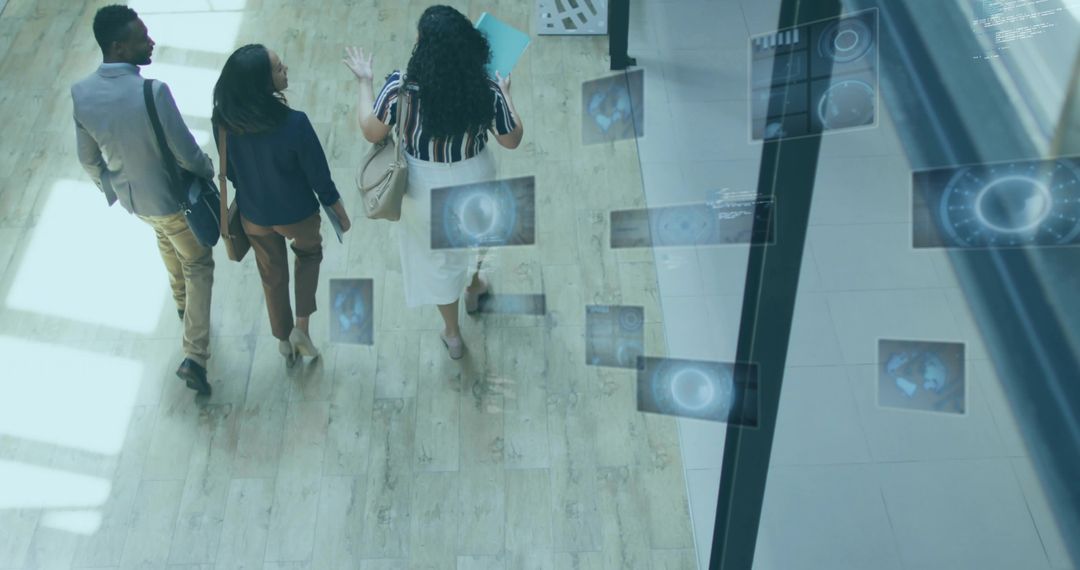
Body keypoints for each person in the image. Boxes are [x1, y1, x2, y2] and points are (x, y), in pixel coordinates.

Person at [344, 4, 524, 360]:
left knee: (438, 261)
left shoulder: (401, 88)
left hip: (424, 191)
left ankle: (453, 335)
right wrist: (506, 93)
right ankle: (475, 285)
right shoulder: (485, 87)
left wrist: (365, 82)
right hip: (476, 178)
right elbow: (511, 139)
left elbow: (370, 129)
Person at [72, 5, 215, 395]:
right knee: (200, 262)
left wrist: (115, 187)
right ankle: (195, 356)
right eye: (142, 38)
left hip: (135, 202)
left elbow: (88, 159)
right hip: (171, 198)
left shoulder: (81, 93)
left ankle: (183, 305)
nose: (150, 42)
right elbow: (186, 152)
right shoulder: (152, 92)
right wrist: (207, 170)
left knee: (166, 239)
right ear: (119, 47)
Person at [213, 44, 350, 366]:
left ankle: (283, 340)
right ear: (262, 84)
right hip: (297, 214)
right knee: (308, 255)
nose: (285, 67)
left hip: (253, 215)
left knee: (271, 274)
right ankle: (301, 328)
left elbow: (229, 171)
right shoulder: (295, 124)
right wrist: (338, 210)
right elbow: (319, 176)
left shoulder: (223, 121)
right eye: (277, 68)